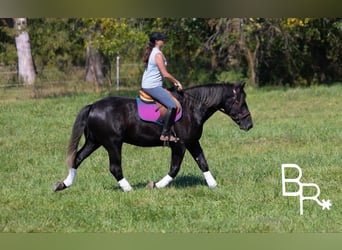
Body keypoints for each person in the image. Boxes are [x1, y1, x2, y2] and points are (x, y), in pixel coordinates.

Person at [142, 31, 183, 142]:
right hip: (152, 86)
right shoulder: (157, 54)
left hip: (151, 84)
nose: (163, 40)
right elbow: (165, 74)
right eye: (162, 39)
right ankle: (164, 134)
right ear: (156, 41)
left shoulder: (154, 52)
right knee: (172, 106)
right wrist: (176, 82)